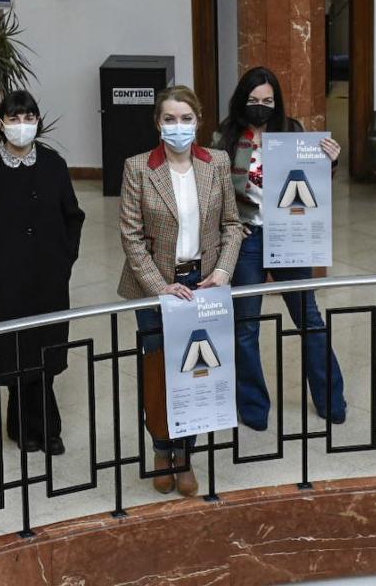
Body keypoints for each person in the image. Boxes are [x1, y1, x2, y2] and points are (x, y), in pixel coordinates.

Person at [118, 85, 242, 496]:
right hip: (157, 286)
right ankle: (160, 449)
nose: (178, 127)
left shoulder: (217, 162)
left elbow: (231, 225)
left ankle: (185, 453)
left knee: (195, 372)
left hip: (203, 284)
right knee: (158, 372)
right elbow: (132, 239)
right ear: (157, 123)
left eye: (185, 119)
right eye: (169, 119)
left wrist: (223, 271)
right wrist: (160, 287)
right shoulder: (138, 168)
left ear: (198, 122)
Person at [0, 90, 85, 456]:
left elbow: (72, 216)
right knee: (14, 353)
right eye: (14, 118)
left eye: (28, 118)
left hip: (47, 279)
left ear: (38, 121)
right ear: (0, 123)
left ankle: (46, 428)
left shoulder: (54, 165)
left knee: (44, 352)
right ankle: (24, 427)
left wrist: (63, 259)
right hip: (3, 281)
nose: (21, 125)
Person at [214, 66, 347, 431]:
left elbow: (311, 183)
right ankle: (254, 407)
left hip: (291, 237)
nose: (261, 107)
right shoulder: (225, 138)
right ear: (242, 100)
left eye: (268, 101)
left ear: (277, 102)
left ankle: (331, 399)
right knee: (246, 327)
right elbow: (213, 189)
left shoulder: (293, 133)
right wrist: (230, 219)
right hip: (247, 240)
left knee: (310, 319)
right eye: (254, 100)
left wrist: (330, 161)